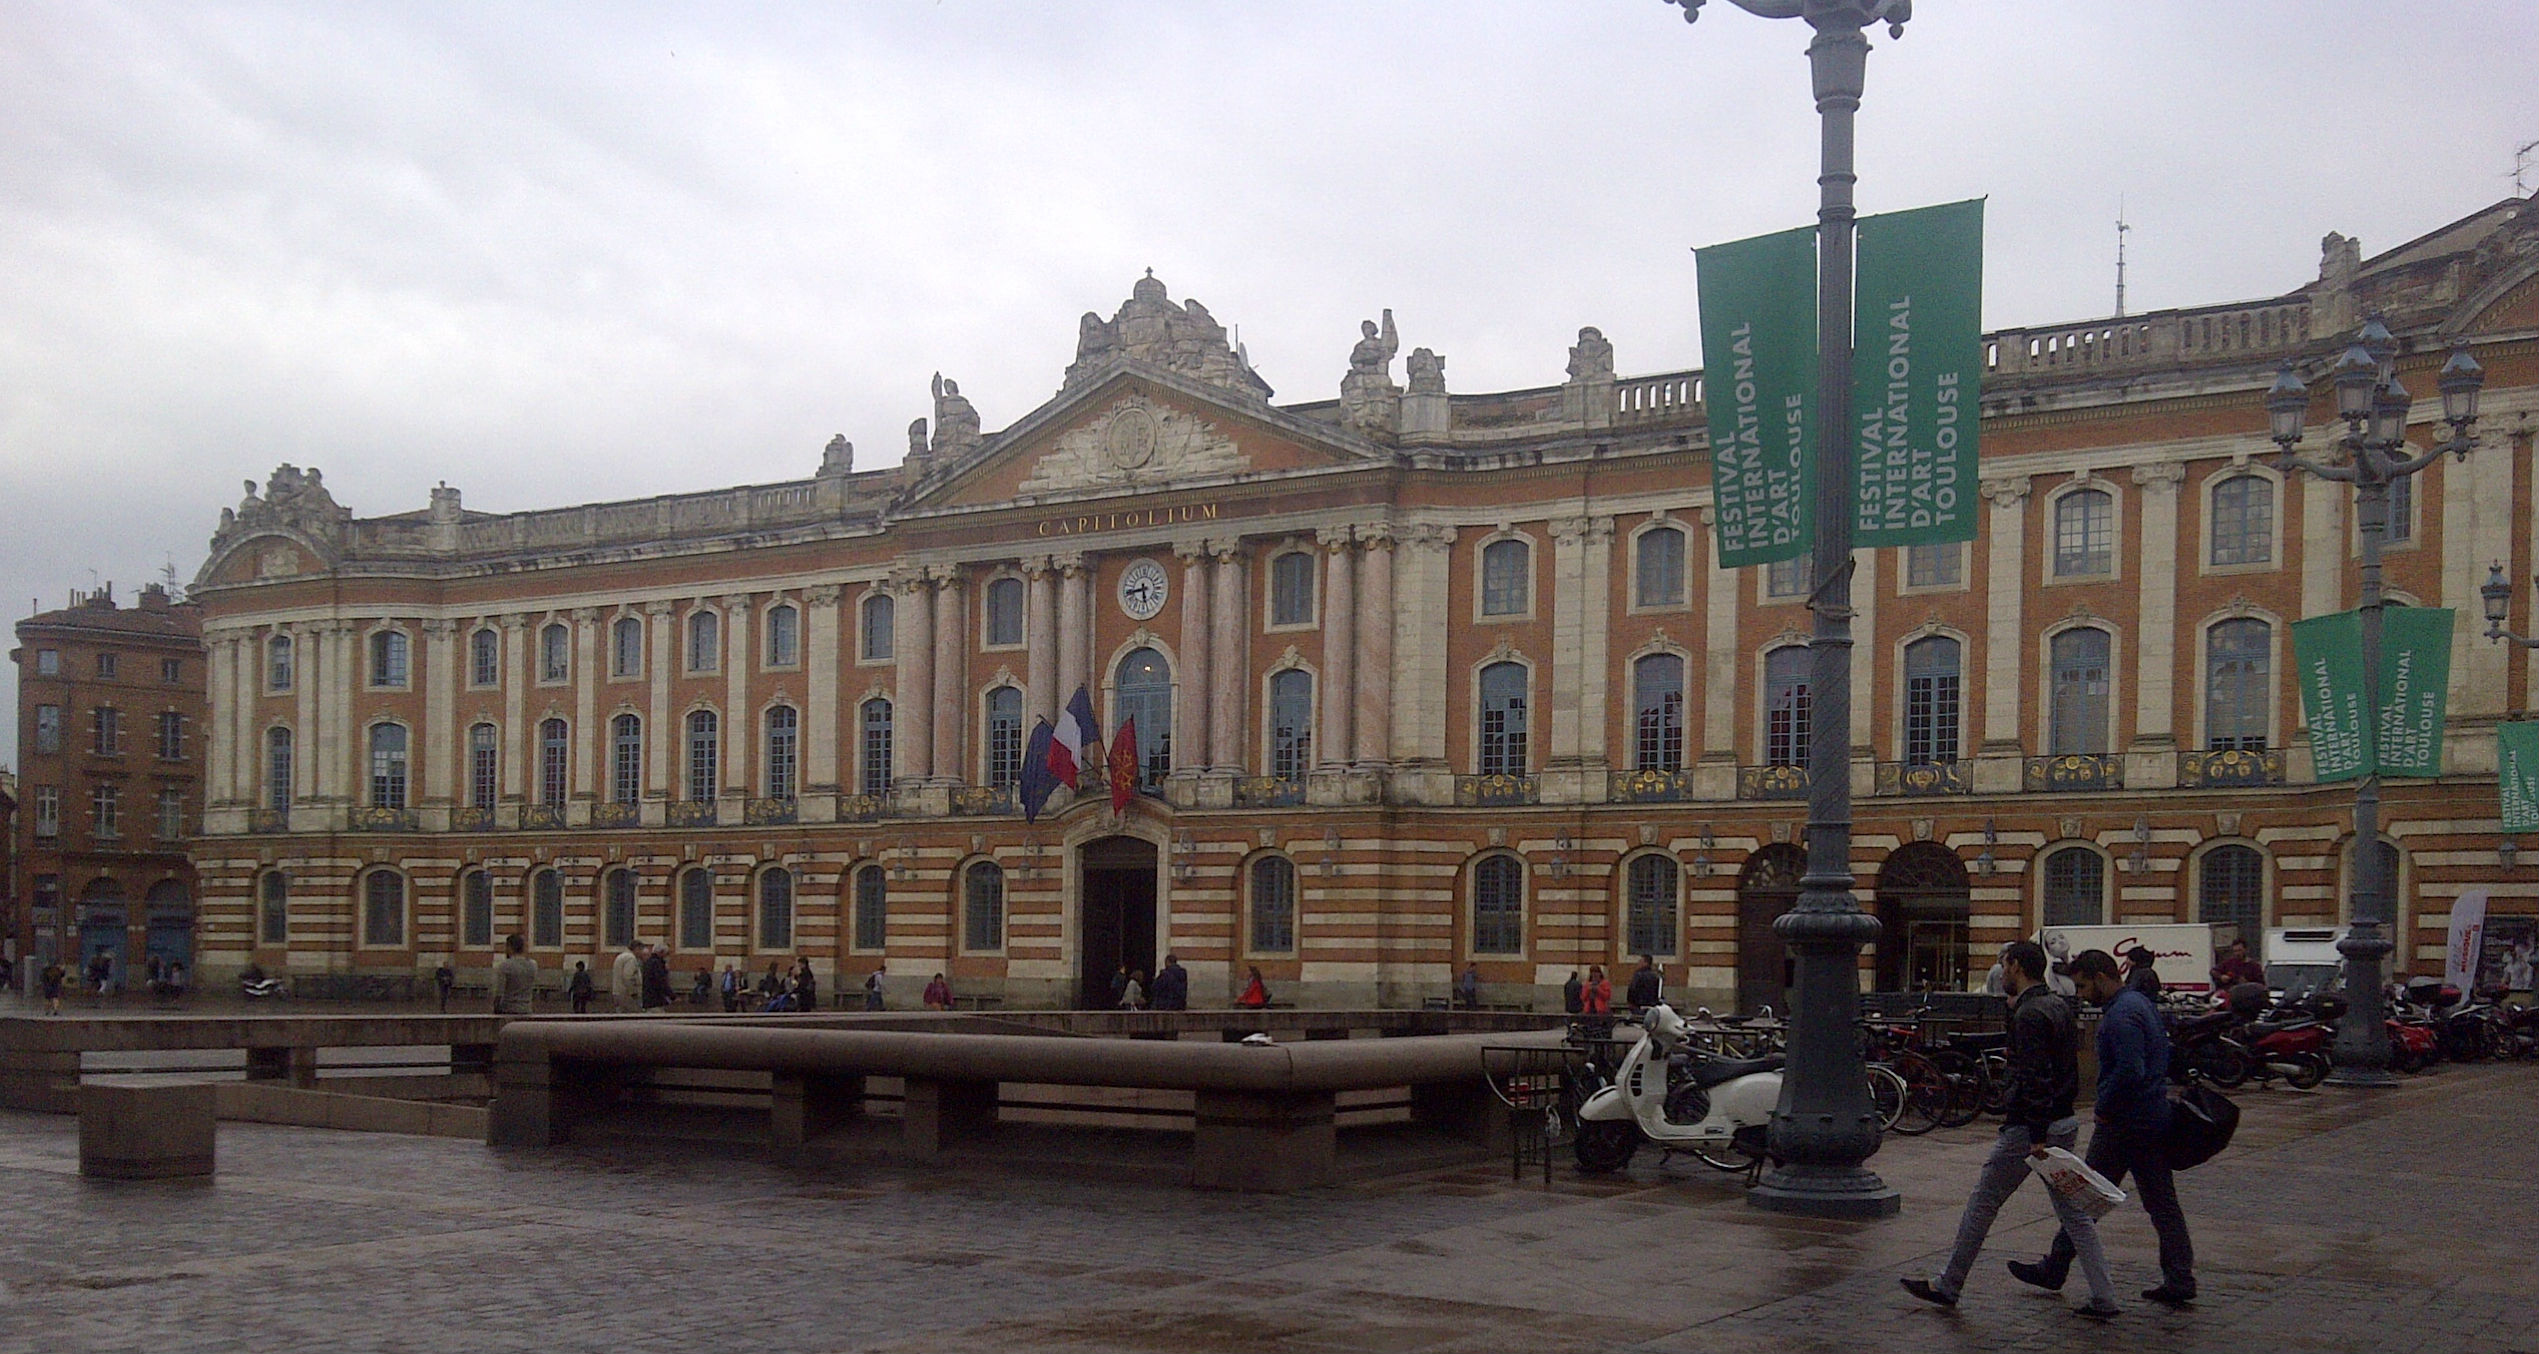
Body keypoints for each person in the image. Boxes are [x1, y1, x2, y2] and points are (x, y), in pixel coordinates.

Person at [1902, 941, 2120, 1317]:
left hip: (2030, 1130)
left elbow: (2035, 1077)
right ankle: (2105, 1296)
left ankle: (1949, 1284)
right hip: (2063, 1121)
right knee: (2074, 1215)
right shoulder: (2055, 1006)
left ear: (2017, 967)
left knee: (1982, 1204)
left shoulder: (2030, 1015)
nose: (2001, 974)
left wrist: (2035, 1134)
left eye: (2004, 966)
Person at [2020, 949, 2198, 1309]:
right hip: (2149, 1116)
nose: (2082, 994)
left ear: (2101, 977)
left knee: (2082, 1197)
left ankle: (2056, 1268)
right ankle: (2179, 1278)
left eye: (2084, 985)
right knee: (2160, 1204)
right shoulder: (2139, 1003)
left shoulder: (2120, 1016)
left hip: (2125, 1124)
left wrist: (2103, 1106)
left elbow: (2129, 1071)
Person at [491, 934, 537, 1016]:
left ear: (510, 947)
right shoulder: (533, 965)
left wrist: (496, 1009)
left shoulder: (505, 965)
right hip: (527, 1010)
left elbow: (499, 992)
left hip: (508, 1010)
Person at [611, 941, 644, 1014]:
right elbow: (628, 976)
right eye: (641, 950)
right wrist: (633, 992)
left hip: (617, 992)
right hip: (627, 995)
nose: (641, 953)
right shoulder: (631, 958)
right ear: (636, 948)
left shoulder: (621, 956)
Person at [640, 944, 674, 1011]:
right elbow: (661, 982)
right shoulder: (656, 964)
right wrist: (672, 996)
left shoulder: (649, 962)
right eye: (667, 954)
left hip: (649, 999)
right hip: (656, 1000)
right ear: (661, 952)